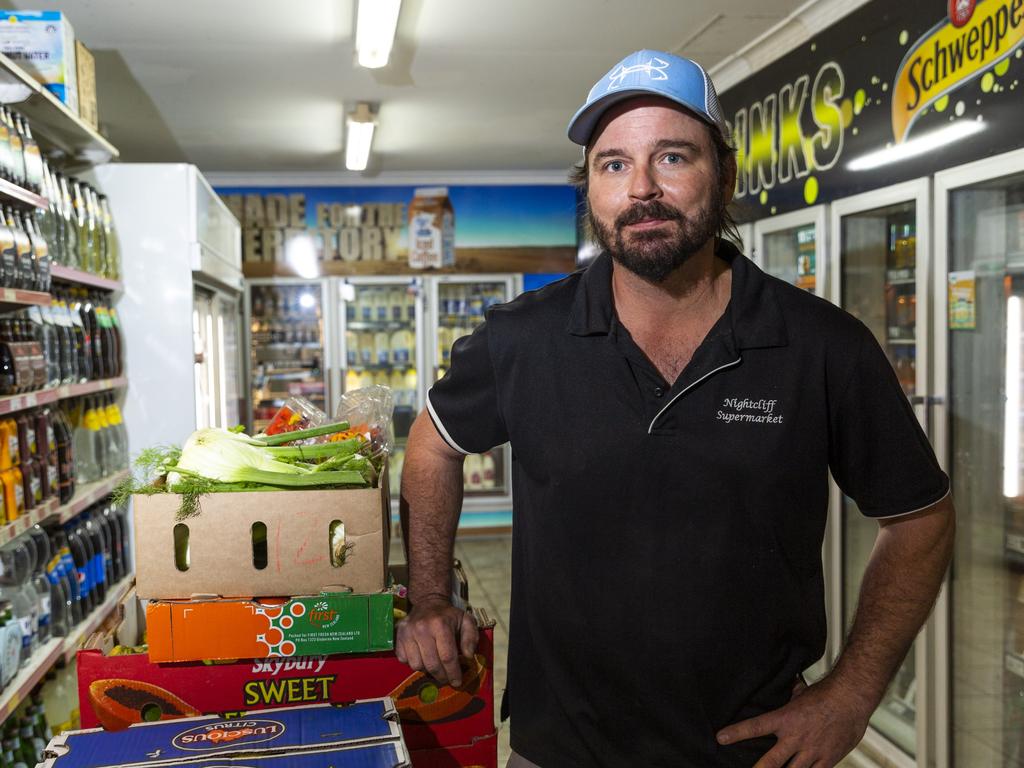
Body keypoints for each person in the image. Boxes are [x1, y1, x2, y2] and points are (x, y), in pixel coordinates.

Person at [396, 49, 955, 768]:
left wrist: (853, 692)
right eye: (614, 165)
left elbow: (920, 518)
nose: (643, 189)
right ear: (590, 188)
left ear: (722, 174)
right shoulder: (523, 339)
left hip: (754, 751)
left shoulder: (822, 346)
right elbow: (434, 443)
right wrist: (430, 597)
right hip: (561, 751)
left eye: (673, 157)